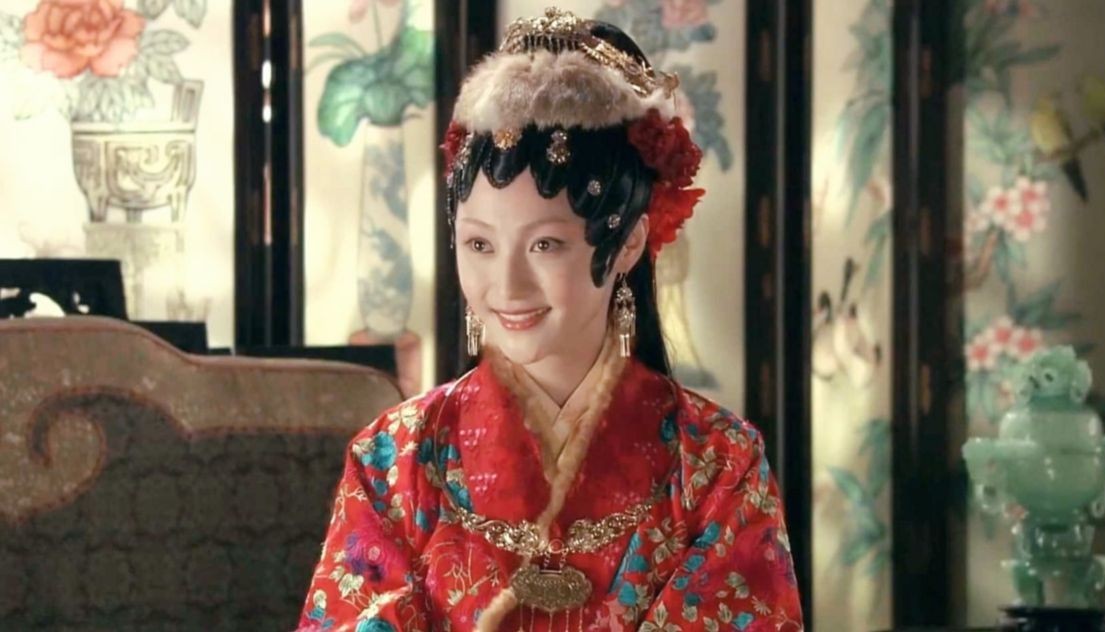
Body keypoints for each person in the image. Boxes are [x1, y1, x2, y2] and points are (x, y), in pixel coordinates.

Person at [297, 8, 803, 631]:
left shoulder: (717, 465)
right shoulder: (393, 460)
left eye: (545, 245)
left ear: (628, 244)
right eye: (479, 244)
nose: (506, 285)